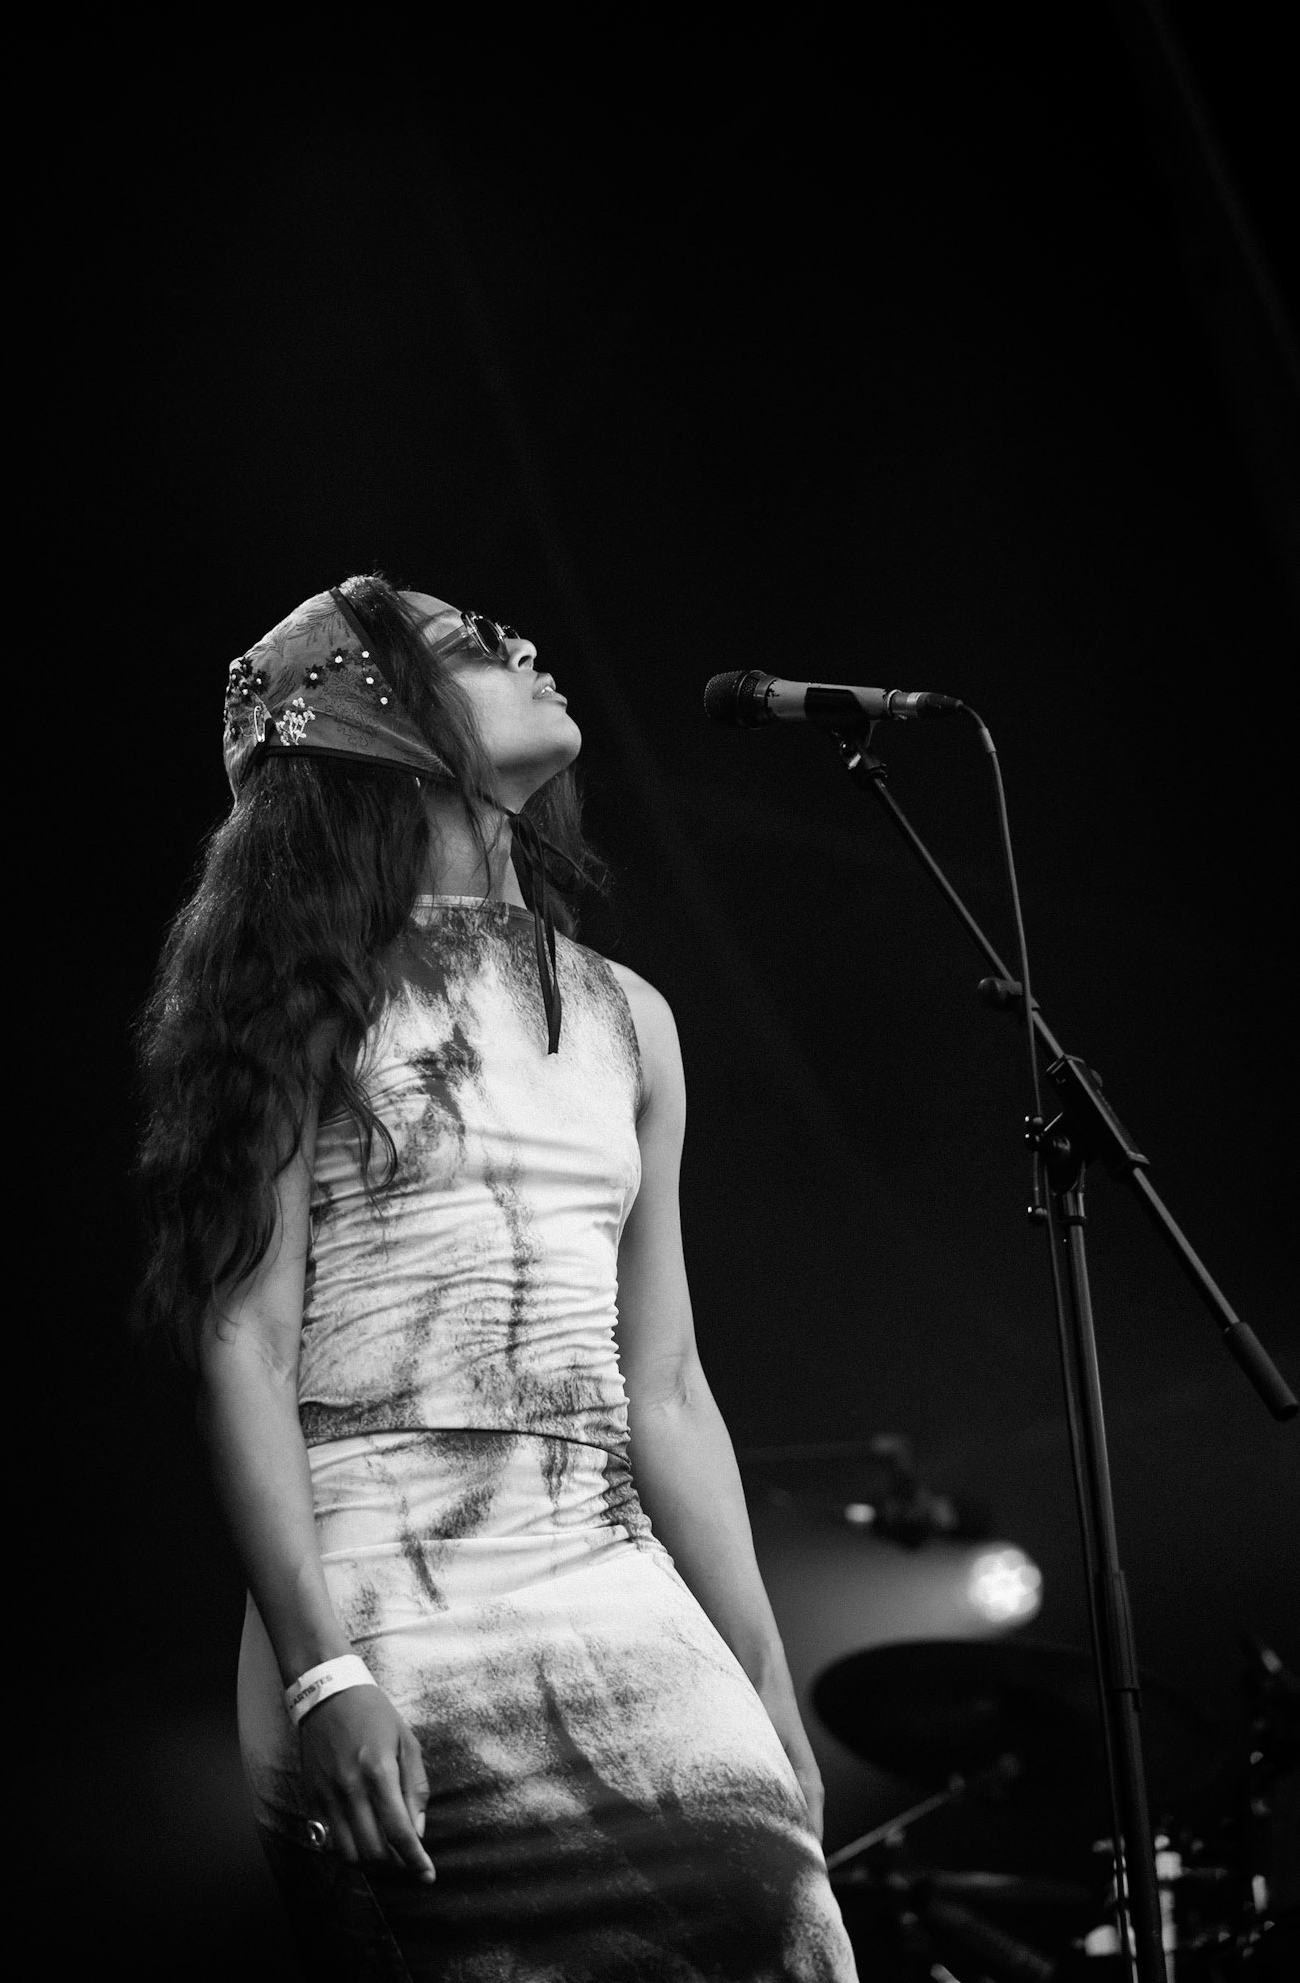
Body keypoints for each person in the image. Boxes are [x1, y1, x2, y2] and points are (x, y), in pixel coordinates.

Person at [137, 573, 857, 1980]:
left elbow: (665, 1382)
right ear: (374, 715)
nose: (525, 644)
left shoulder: (625, 1015)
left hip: (614, 1576)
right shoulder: (298, 992)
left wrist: (765, 1686)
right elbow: (245, 1345)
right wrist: (322, 1669)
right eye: (471, 644)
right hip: (382, 1597)